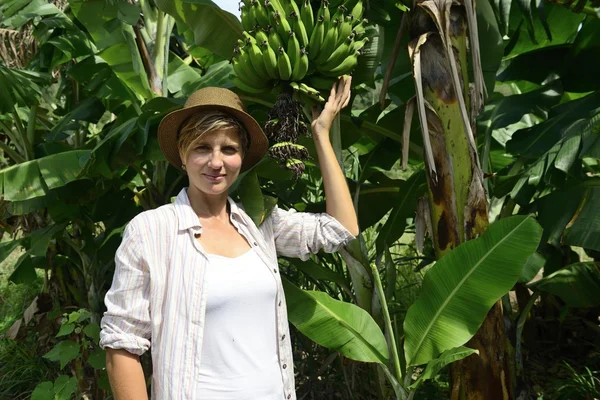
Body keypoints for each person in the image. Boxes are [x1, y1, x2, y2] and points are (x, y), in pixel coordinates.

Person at [99, 76, 359, 400]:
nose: (216, 162)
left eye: (229, 148)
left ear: (242, 157)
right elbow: (122, 346)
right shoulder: (151, 232)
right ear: (182, 154)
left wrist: (321, 132)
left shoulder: (260, 223)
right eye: (202, 147)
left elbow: (340, 229)